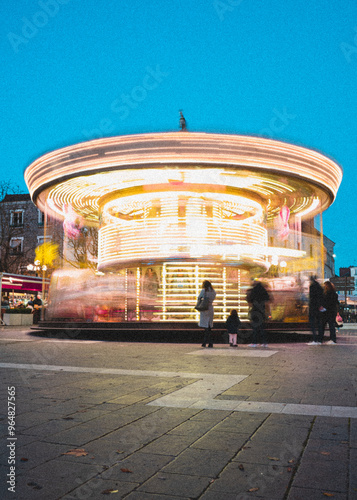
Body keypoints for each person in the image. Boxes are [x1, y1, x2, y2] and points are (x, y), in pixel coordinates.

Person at [246, 279, 271, 347]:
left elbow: (250, 301)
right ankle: (264, 343)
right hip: (262, 312)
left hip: (255, 312)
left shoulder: (253, 292)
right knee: (262, 328)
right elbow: (267, 302)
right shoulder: (263, 292)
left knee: (255, 328)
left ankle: (254, 342)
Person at [197, 280, 216, 348]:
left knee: (206, 327)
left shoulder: (204, 291)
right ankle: (207, 342)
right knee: (209, 326)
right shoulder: (213, 291)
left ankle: (207, 342)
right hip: (210, 308)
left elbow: (199, 297)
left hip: (204, 308)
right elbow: (213, 298)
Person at [307, 275, 324, 345]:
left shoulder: (312, 286)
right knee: (319, 324)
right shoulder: (320, 287)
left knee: (312, 324)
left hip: (313, 307)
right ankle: (319, 340)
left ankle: (314, 339)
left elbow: (312, 297)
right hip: (319, 307)